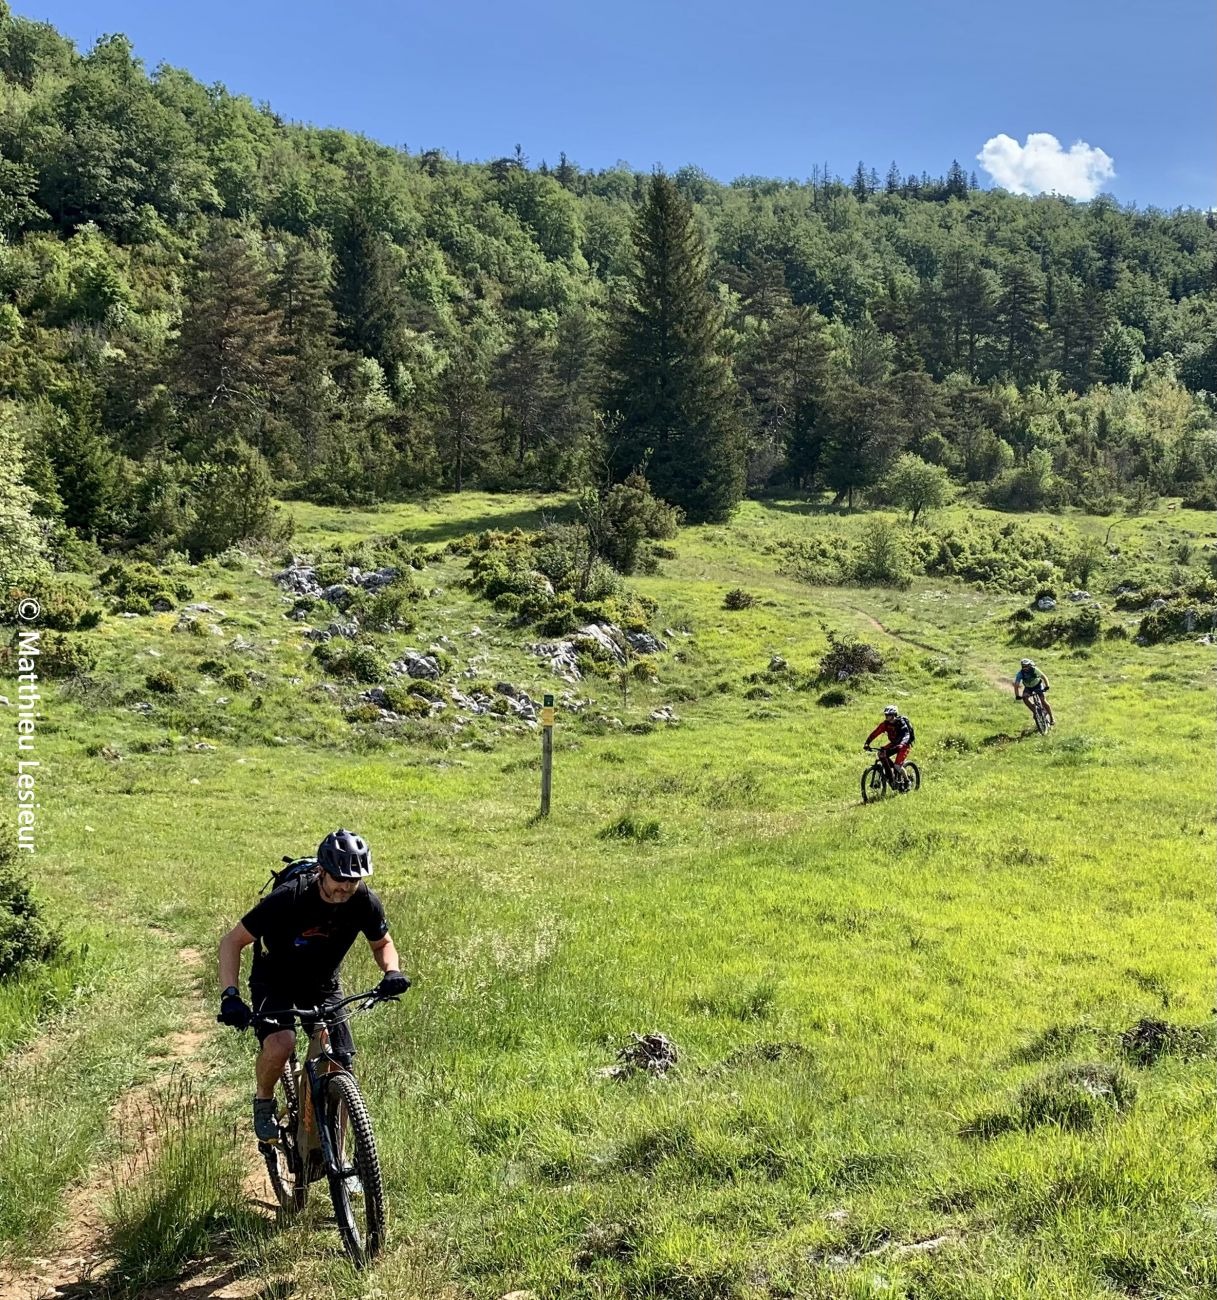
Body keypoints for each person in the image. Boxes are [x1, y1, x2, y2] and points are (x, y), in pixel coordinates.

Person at [217, 828, 409, 1141]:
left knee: (341, 1065)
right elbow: (232, 942)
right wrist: (230, 996)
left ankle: (344, 1156)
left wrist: (392, 971)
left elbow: (382, 943)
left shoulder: (363, 901)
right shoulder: (290, 896)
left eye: (354, 879)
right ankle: (264, 1101)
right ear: (322, 871)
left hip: (322, 981)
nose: (345, 887)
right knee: (281, 1045)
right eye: (339, 878)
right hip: (274, 979)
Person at [864, 705, 914, 787]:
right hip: (894, 743)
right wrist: (867, 742)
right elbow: (876, 732)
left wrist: (902, 743)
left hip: (904, 745)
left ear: (894, 715)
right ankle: (891, 777)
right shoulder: (885, 724)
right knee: (881, 754)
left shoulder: (901, 723)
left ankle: (907, 781)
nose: (887, 716)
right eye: (886, 715)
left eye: (889, 715)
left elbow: (906, 734)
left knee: (897, 766)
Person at [1013, 658, 1054, 726]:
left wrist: (1047, 686)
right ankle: (1035, 712)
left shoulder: (1034, 669)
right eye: (1023, 666)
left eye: (1026, 666)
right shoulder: (1020, 673)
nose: (1025, 668)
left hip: (1038, 685)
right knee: (1025, 698)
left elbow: (1044, 677)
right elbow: (1016, 685)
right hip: (1028, 688)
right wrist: (1017, 695)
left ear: (1030, 665)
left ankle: (1052, 718)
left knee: (1043, 700)